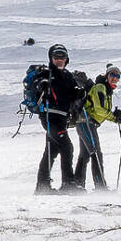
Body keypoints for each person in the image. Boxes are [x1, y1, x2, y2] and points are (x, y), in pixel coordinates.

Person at [35, 43, 83, 195]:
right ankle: (68, 183)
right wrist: (41, 86)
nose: (59, 60)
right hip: (50, 117)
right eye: (56, 57)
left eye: (62, 57)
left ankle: (42, 186)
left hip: (62, 118)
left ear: (67, 59)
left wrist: (79, 94)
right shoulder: (46, 74)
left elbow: (72, 95)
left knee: (51, 150)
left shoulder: (68, 76)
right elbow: (37, 89)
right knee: (67, 147)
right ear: (51, 58)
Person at [75, 65, 121, 191]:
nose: (115, 78)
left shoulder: (106, 90)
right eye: (112, 75)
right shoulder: (100, 87)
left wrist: (115, 116)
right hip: (86, 122)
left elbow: (101, 110)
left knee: (85, 155)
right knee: (95, 154)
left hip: (86, 123)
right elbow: (99, 109)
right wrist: (115, 118)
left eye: (117, 76)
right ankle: (100, 187)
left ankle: (77, 185)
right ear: (107, 75)